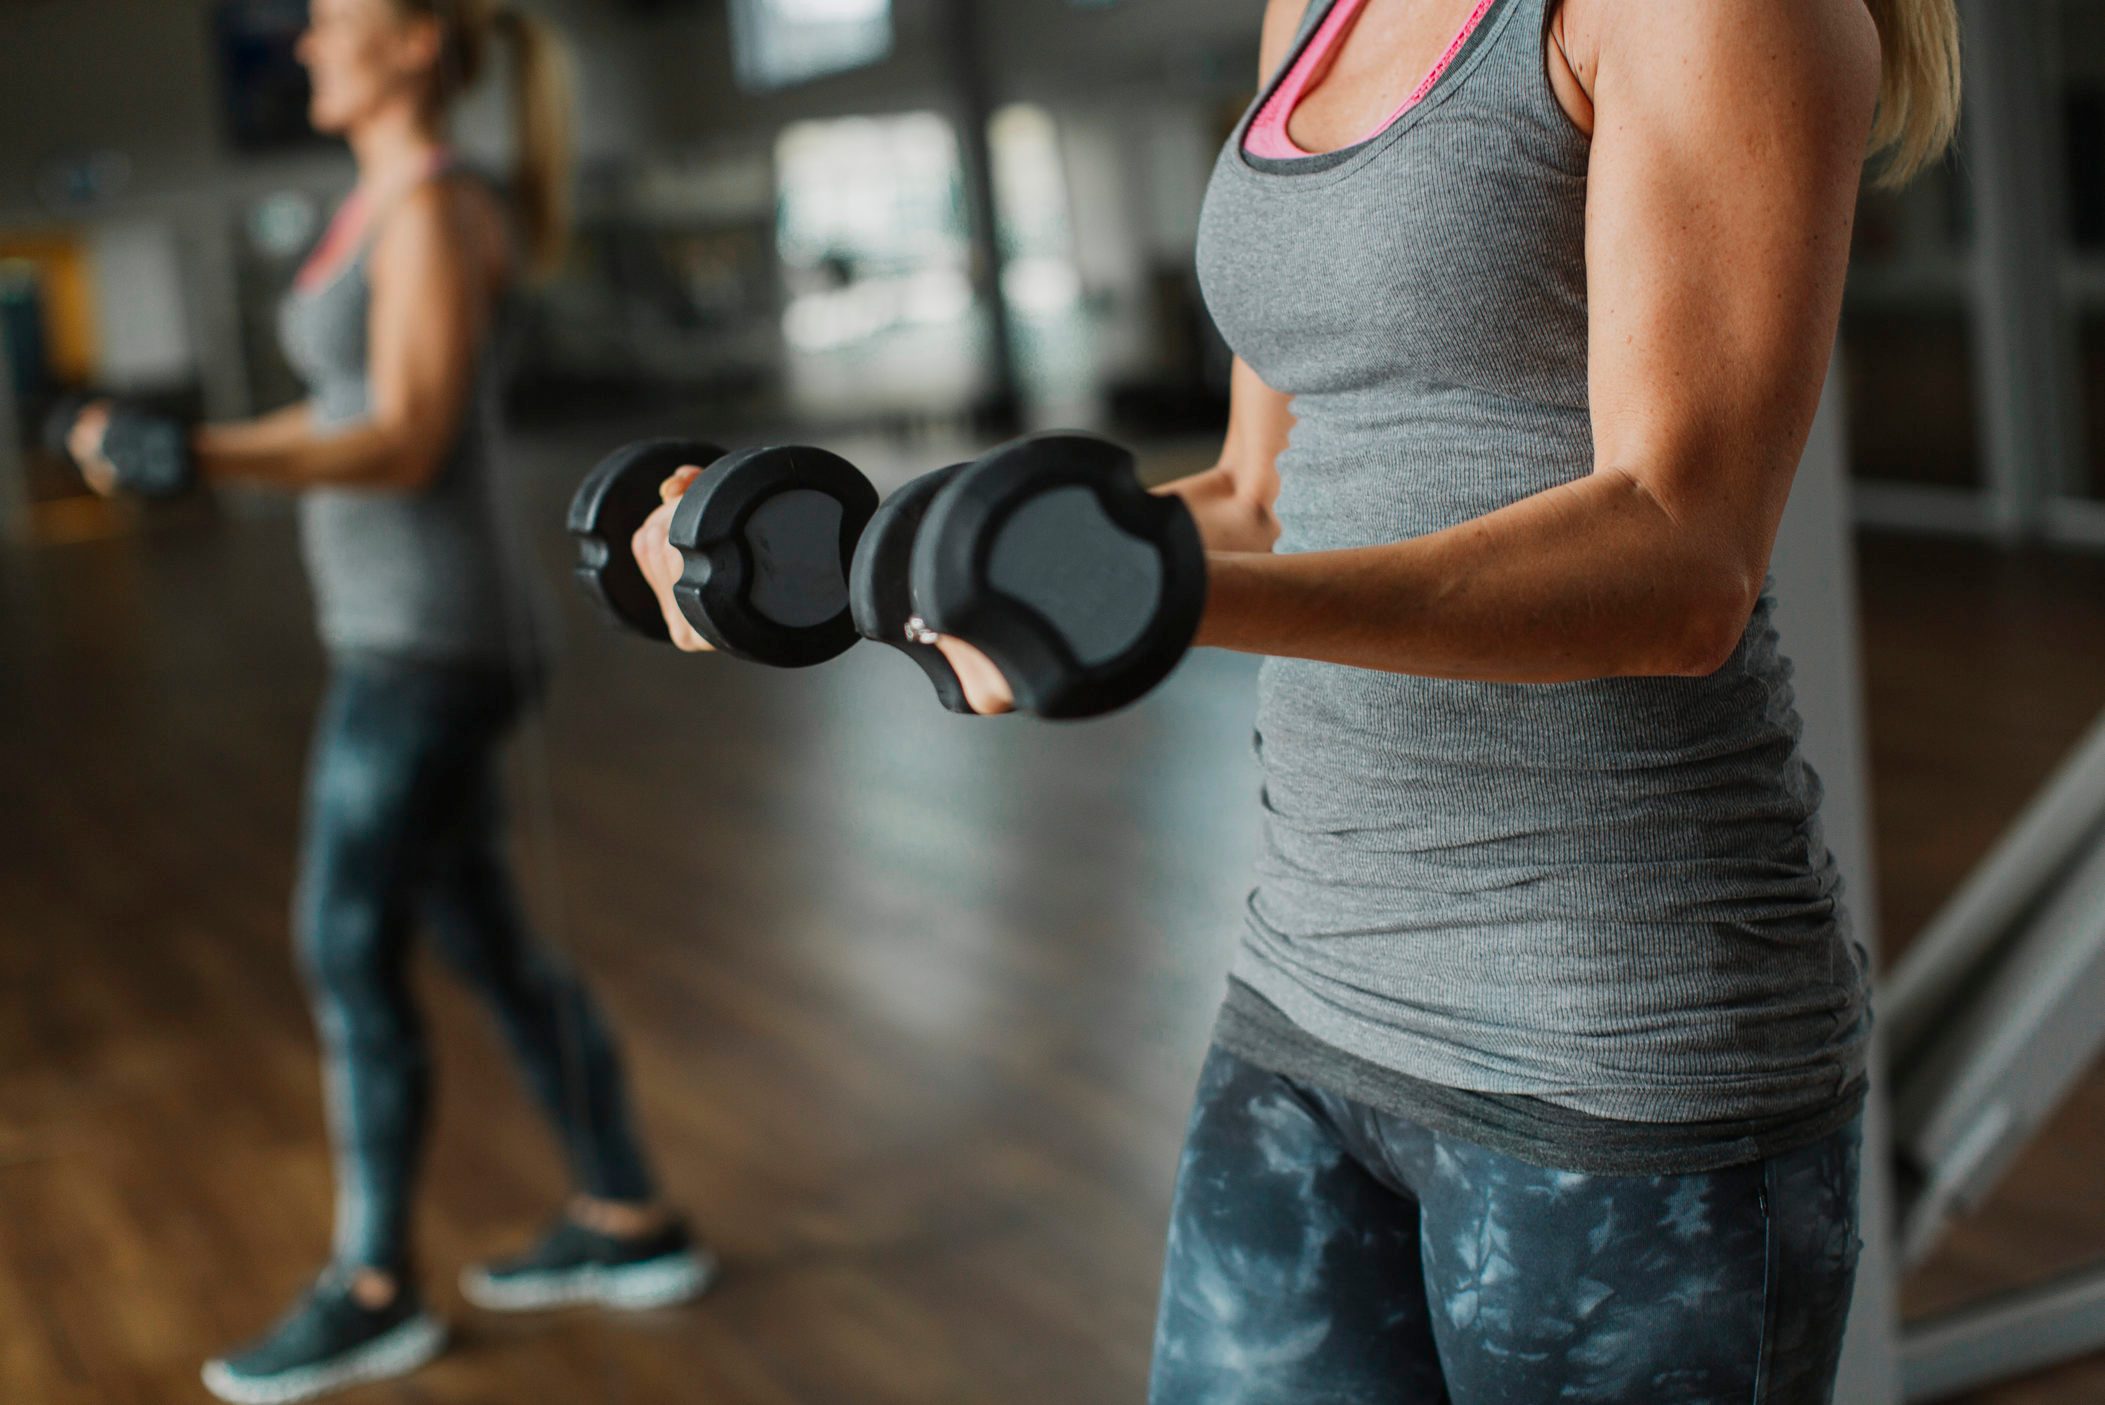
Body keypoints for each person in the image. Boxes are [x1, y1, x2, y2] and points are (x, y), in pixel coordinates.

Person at [631, 0, 1957, 1400]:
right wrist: (878, 559)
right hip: (1309, 992)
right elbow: (1256, 500)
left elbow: (1677, 559)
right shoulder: (1315, 12)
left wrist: (1135, 597)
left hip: (1610, 1042)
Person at [71, 4, 709, 1401]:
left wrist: (211, 464)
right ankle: (628, 1216)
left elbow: (406, 438)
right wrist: (200, 447)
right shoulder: (382, 201)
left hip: (429, 638)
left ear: (417, 43)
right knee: (478, 939)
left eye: (334, 22)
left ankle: (373, 1285)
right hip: (406, 627)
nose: (305, 45)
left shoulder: (433, 207)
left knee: (345, 943)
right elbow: (342, 401)